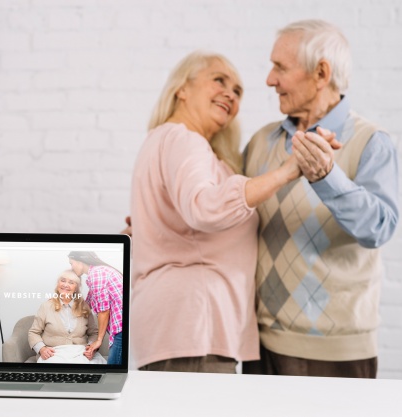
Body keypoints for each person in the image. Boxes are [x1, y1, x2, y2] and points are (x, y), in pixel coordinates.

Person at [128, 50, 332, 374]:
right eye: (219, 80)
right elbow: (204, 209)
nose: (230, 94)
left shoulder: (164, 139)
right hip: (195, 324)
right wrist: (287, 171)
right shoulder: (185, 140)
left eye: (238, 91)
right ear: (182, 89)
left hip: (179, 325)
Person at [242, 20, 399, 378]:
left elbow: (379, 228)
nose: (269, 80)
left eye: (280, 67)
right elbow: (230, 209)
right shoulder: (261, 142)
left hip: (336, 352)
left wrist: (327, 177)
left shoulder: (371, 142)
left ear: (321, 73)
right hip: (260, 345)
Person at [28, 270, 105, 364]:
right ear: (58, 284)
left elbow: (94, 333)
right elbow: (33, 333)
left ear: (76, 288)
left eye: (71, 282)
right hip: (54, 353)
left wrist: (91, 348)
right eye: (63, 280)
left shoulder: (84, 307)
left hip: (80, 352)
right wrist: (42, 349)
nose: (65, 285)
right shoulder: (46, 306)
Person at [67, 251, 124, 365]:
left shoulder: (97, 274)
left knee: (112, 372)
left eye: (71, 263)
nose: (71, 267)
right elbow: (87, 305)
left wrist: (99, 340)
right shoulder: (97, 273)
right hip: (122, 326)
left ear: (80, 262)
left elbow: (104, 310)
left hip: (121, 327)